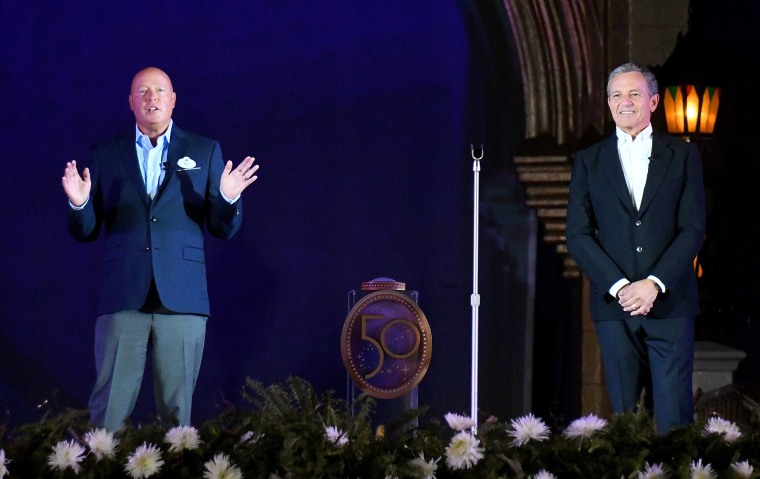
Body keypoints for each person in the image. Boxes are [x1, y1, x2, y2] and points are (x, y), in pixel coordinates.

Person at [61, 67, 259, 431]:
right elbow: (86, 232)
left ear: (173, 100)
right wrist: (79, 205)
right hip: (123, 293)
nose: (152, 97)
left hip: (182, 296)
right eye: (143, 91)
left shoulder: (204, 149)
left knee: (177, 412)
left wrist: (228, 197)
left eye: (160, 90)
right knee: (108, 411)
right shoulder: (106, 154)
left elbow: (222, 228)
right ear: (131, 102)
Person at [566, 62, 706, 434]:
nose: (624, 102)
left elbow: (693, 229)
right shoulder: (589, 160)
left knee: (674, 421)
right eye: (616, 95)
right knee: (627, 423)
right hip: (615, 307)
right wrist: (620, 286)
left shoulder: (684, 156)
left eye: (633, 93)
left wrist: (654, 283)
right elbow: (577, 235)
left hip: (671, 304)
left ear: (653, 101)